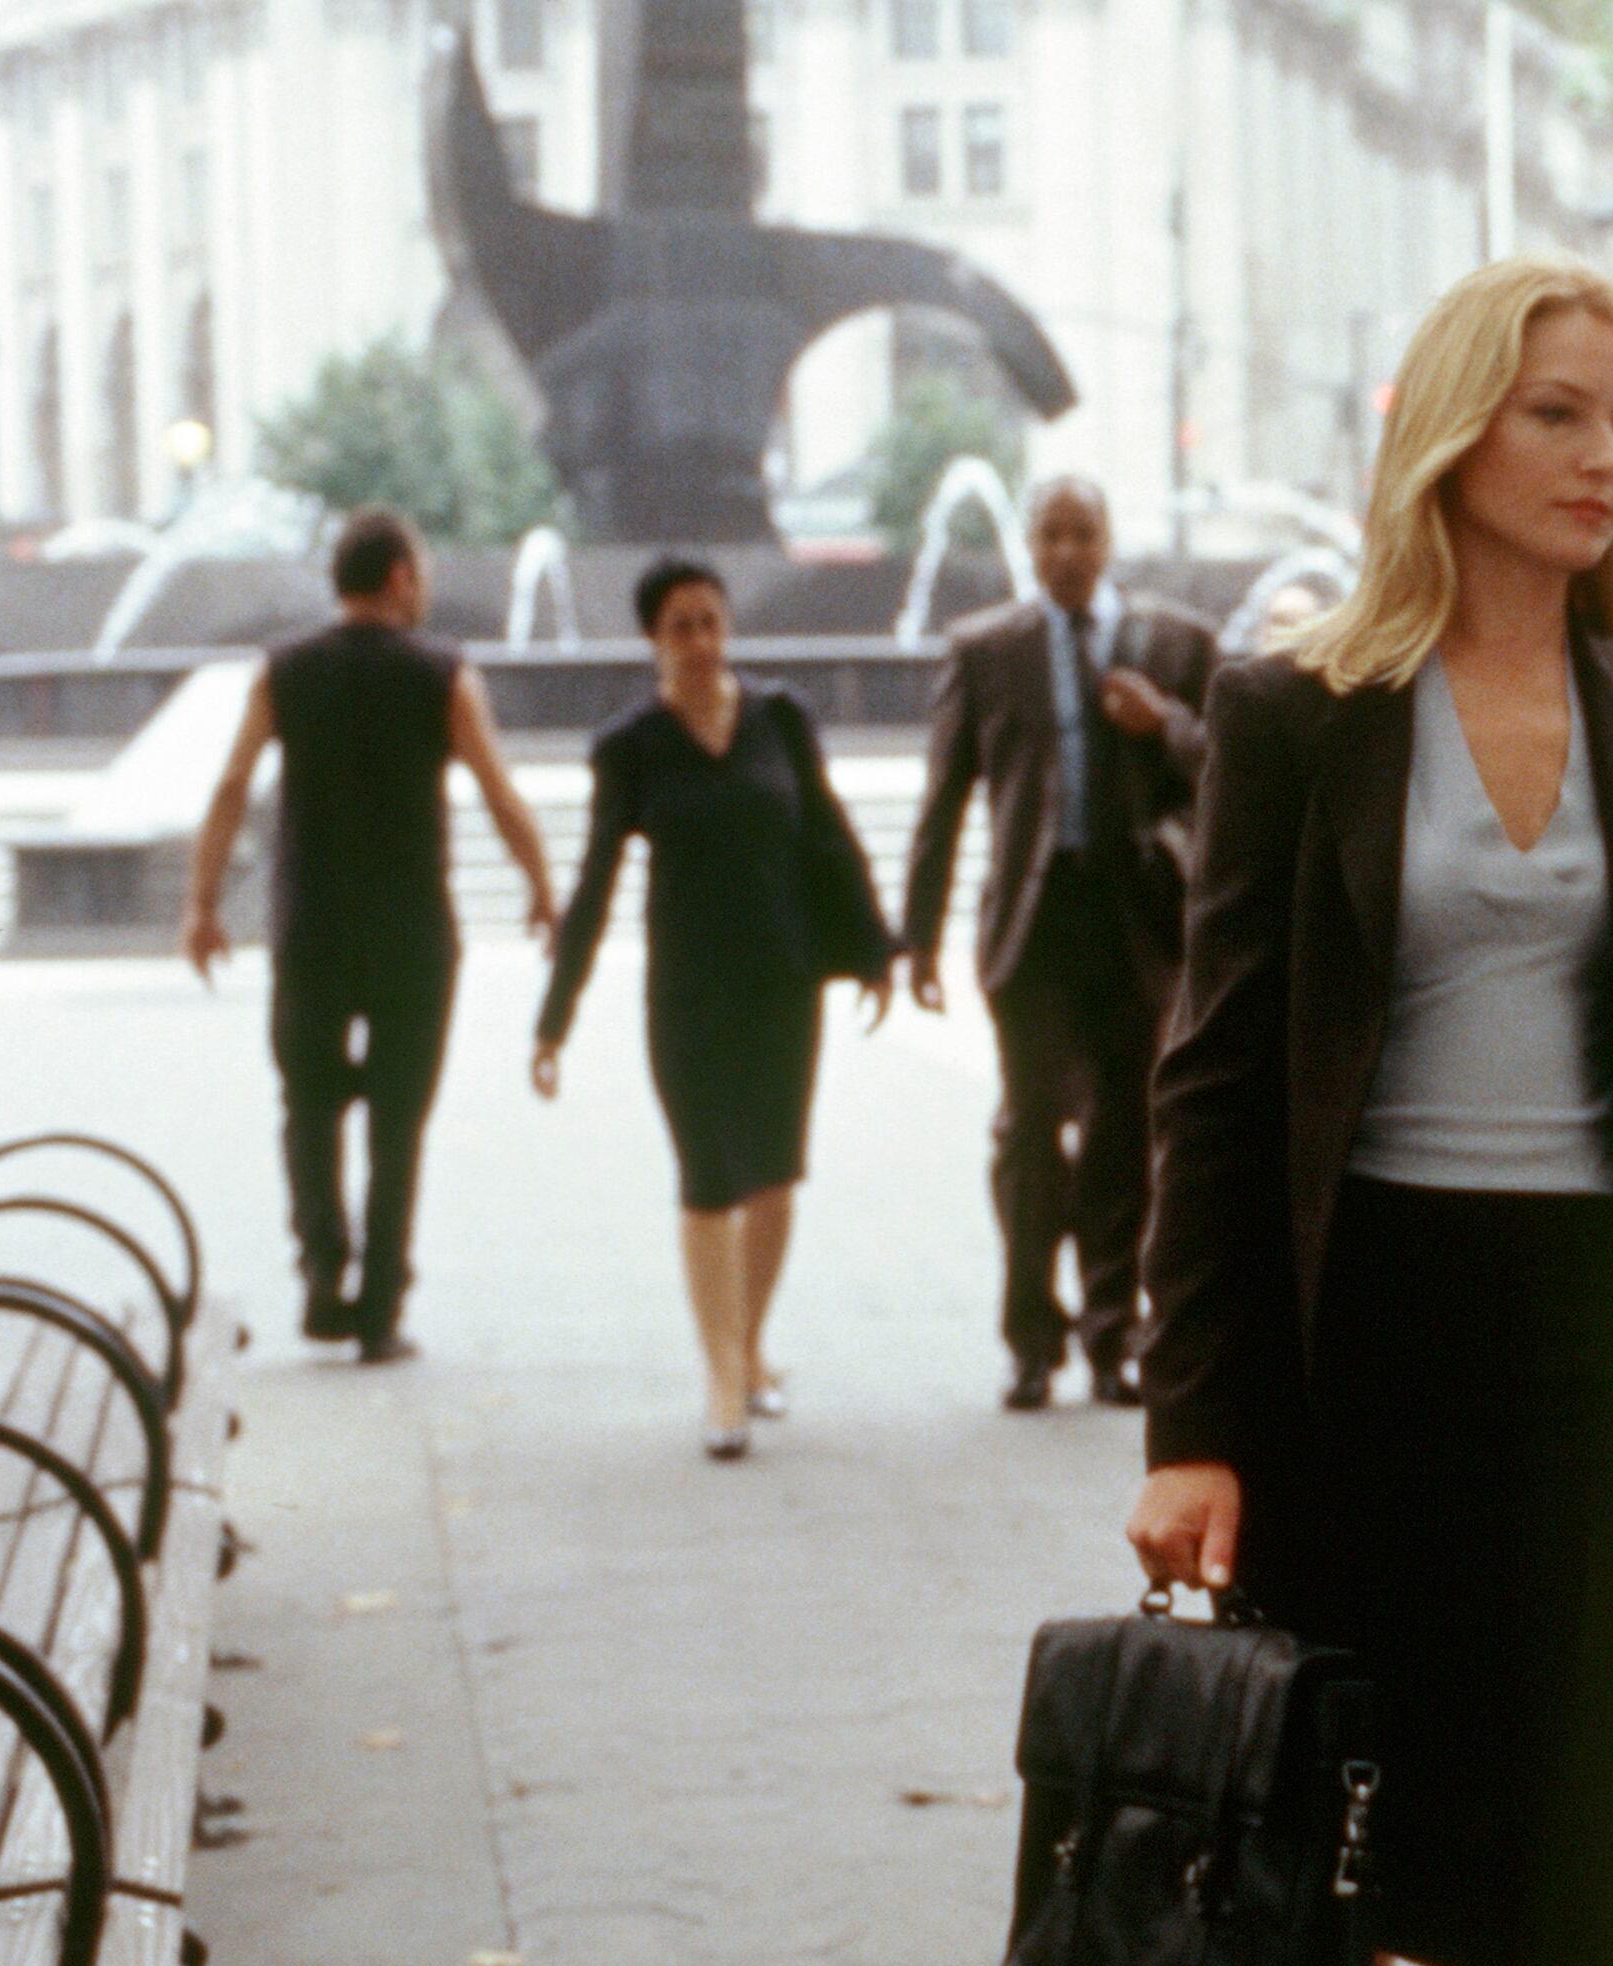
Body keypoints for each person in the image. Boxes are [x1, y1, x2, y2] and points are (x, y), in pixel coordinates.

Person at [1126, 257, 1613, 1966]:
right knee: (1337, 1890)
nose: (1603, 459)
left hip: (1591, 1368)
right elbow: (1213, 1079)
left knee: (1577, 1916)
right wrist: (1195, 1423)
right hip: (1346, 1358)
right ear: (1458, 432)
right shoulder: (1299, 707)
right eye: (1561, 413)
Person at [533, 557, 896, 1458]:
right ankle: (724, 1376)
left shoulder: (782, 719)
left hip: (782, 982)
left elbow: (827, 832)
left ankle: (751, 1340)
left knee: (773, 1177)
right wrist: (555, 1016)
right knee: (707, 1179)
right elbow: (595, 880)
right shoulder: (631, 746)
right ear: (652, 639)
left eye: (710, 621)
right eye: (680, 626)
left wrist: (874, 949)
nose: (700, 641)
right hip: (688, 996)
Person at [180, 506, 559, 1360]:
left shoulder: (282, 670)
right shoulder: (444, 673)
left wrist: (201, 903)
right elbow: (499, 791)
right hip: (413, 933)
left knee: (307, 1109)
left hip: (310, 926)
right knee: (397, 1123)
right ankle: (381, 1307)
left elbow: (232, 784)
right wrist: (542, 888)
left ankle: (322, 1277)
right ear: (398, 576)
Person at [901, 477, 1220, 1410]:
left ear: (1109, 539)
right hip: (1032, 926)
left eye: (1083, 533)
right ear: (1031, 545)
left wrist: (1163, 721)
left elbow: (1230, 770)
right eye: (1050, 534)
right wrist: (918, 939)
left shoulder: (1178, 644)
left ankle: (1114, 1335)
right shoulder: (986, 649)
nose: (1067, 552)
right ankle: (1031, 1339)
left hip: (1136, 922)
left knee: (1126, 1131)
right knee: (1030, 1132)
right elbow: (943, 798)